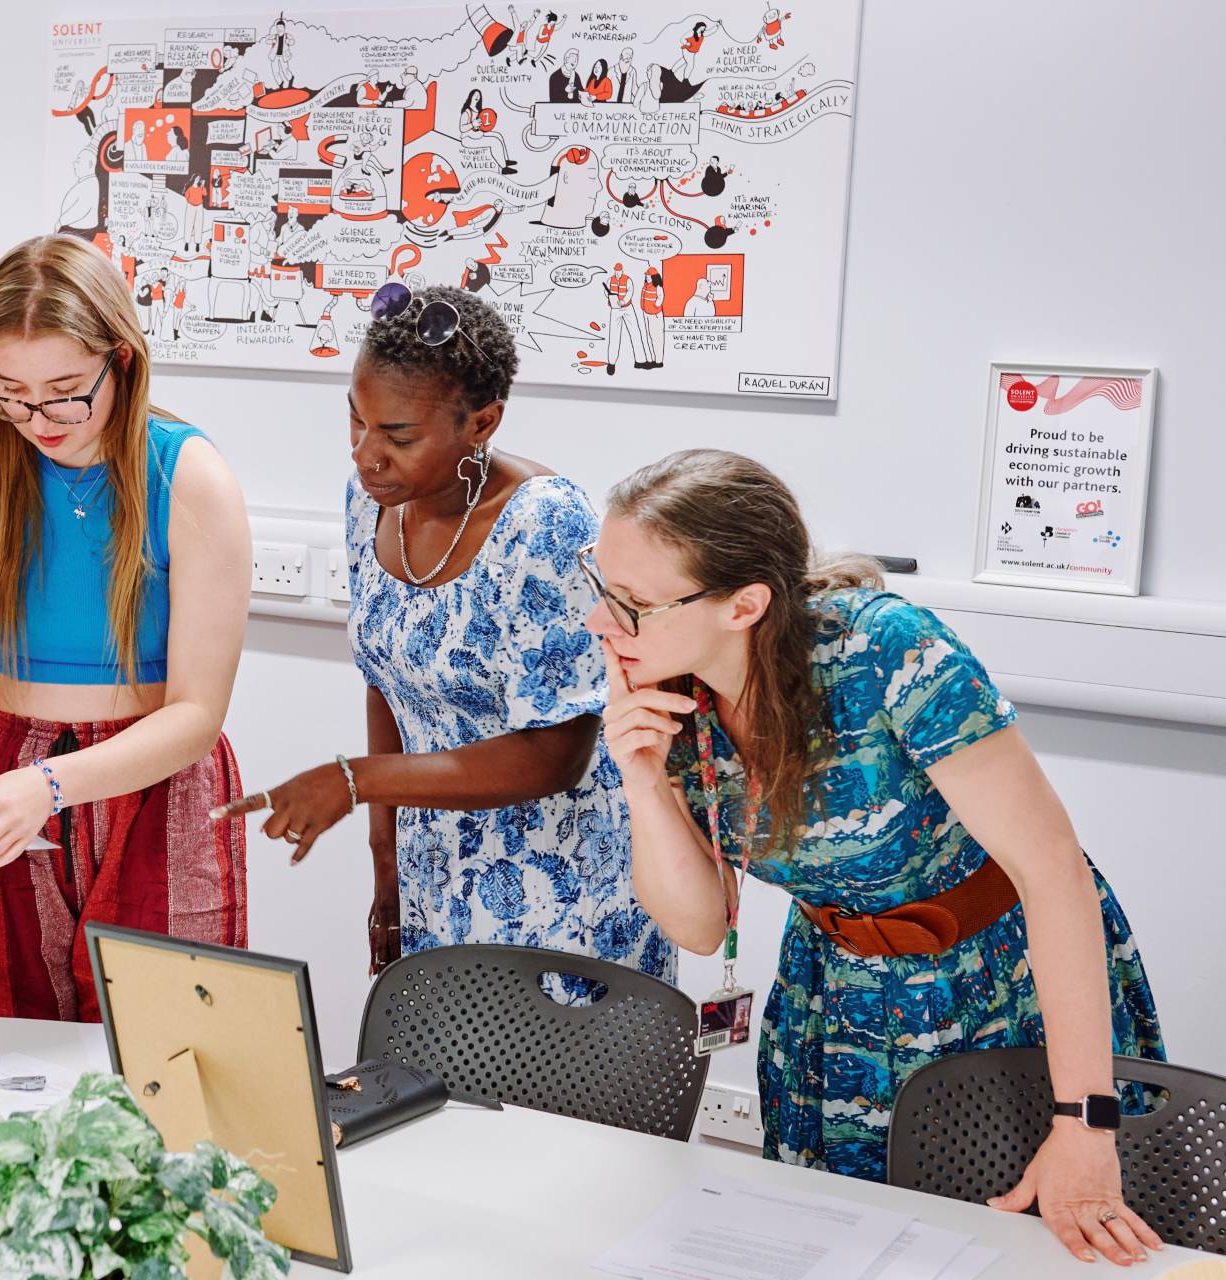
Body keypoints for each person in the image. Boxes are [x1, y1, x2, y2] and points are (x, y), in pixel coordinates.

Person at [586, 449, 1166, 1267]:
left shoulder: (886, 654)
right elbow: (699, 927)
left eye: (632, 603)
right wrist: (643, 784)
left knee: (1010, 1248)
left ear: (745, 605)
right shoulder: (670, 695)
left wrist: (1083, 1120)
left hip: (994, 989)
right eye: (600, 588)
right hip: (835, 999)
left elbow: (1054, 874)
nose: (599, 624)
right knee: (837, 1246)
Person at [217, 286, 672, 987]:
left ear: (482, 423)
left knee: (546, 1093)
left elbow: (555, 756)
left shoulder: (546, 524)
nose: (368, 455)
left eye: (398, 436)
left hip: (564, 882)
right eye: (356, 421)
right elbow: (385, 685)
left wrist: (353, 782)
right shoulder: (370, 502)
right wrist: (387, 866)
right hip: (438, 870)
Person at [0, 235, 252, 1021]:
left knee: (170, 1038)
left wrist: (53, 786)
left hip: (153, 780)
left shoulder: (190, 478)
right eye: (12, 393)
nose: (39, 419)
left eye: (66, 390)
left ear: (121, 362)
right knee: (8, 1029)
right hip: (8, 772)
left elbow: (197, 715)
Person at [458, 89, 513, 175]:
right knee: (494, 142)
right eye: (475, 95)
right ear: (471, 97)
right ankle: (503, 168)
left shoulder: (478, 110)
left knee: (498, 135)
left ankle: (506, 160)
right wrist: (472, 124)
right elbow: (461, 128)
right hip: (468, 138)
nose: (477, 97)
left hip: (477, 134)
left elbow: (482, 124)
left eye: (479, 95)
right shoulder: (467, 111)